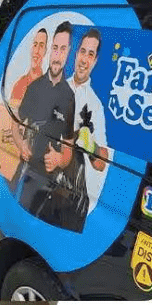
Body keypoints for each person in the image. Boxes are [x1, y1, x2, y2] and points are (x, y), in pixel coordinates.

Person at [11, 21, 76, 219]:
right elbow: (16, 123)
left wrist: (59, 159)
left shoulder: (70, 96)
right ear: (51, 50)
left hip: (52, 183)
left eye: (63, 49)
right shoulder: (34, 87)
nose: (57, 55)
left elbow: (69, 149)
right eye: (55, 48)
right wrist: (21, 144)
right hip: (26, 172)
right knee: (17, 223)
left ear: (68, 52)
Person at [0, 26, 46, 182]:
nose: (37, 51)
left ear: (45, 51)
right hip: (18, 164)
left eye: (41, 46)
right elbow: (10, 126)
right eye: (35, 44)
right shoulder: (21, 85)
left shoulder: (48, 84)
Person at [68, 26, 110, 211]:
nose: (84, 60)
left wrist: (91, 147)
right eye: (82, 51)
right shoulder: (57, 86)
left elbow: (102, 164)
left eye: (90, 54)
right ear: (76, 53)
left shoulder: (95, 105)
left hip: (71, 193)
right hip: (40, 178)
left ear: (95, 61)